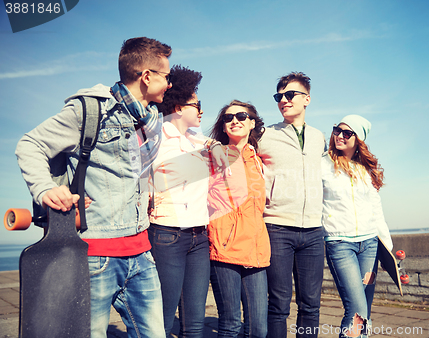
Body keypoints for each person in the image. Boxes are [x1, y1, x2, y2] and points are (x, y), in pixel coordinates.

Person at [15, 37, 172, 338]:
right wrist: (45, 189)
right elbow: (30, 144)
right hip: (95, 255)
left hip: (141, 252)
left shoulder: (150, 119)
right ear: (147, 76)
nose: (168, 83)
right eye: (166, 76)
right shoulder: (91, 110)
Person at [258, 72, 326, 338]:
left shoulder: (319, 137)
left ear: (307, 99)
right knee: (278, 303)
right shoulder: (264, 135)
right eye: (279, 97)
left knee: (311, 303)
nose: (283, 100)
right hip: (277, 227)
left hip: (313, 230)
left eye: (290, 95)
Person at [148, 65, 211, 338]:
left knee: (195, 321)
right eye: (197, 104)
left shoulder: (202, 141)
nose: (201, 110)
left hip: (200, 236)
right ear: (178, 106)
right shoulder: (156, 138)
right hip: (167, 234)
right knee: (161, 317)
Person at [322, 115, 392, 338]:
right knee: (357, 310)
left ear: (358, 139)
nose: (339, 135)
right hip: (340, 244)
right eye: (337, 130)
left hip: (369, 246)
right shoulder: (323, 163)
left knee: (365, 312)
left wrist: (389, 250)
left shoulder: (365, 170)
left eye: (347, 133)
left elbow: (376, 211)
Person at [208, 100, 270, 338]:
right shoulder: (213, 155)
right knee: (231, 323)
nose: (234, 120)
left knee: (258, 328)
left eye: (241, 116)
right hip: (225, 248)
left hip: (256, 249)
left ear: (252, 123)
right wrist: (211, 145)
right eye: (228, 118)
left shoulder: (257, 159)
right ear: (223, 127)